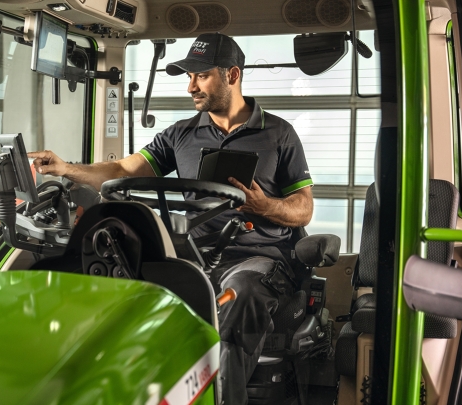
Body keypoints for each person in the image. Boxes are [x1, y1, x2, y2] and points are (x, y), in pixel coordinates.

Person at [28, 33, 314, 404]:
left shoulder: (279, 135)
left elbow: (303, 208)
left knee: (238, 295)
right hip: (192, 251)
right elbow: (121, 169)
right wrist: (65, 168)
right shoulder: (180, 134)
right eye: (187, 76)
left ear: (232, 74)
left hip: (256, 258)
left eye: (201, 75)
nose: (191, 86)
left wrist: (265, 206)